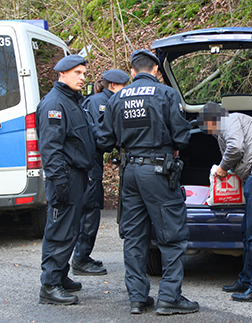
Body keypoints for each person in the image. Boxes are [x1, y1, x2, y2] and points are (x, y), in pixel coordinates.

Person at [97, 49, 199, 315]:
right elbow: (181, 137)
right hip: (158, 173)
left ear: (132, 71)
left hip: (129, 174)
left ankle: (138, 298)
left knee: (134, 237)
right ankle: (169, 298)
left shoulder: (117, 98)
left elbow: (104, 140)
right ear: (155, 70)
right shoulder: (166, 94)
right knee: (173, 236)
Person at [198, 102, 252, 302]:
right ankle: (246, 280)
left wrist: (222, 168)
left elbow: (236, 147)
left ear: (212, 120)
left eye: (208, 128)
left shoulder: (229, 120)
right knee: (249, 230)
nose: (210, 133)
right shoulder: (232, 124)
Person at [36, 55, 95, 305]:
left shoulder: (71, 101)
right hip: (65, 177)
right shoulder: (55, 104)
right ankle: (49, 285)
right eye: (78, 73)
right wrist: (59, 181)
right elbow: (51, 148)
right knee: (59, 230)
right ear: (62, 74)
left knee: (70, 230)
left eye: (84, 73)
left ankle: (59, 275)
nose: (83, 77)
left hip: (76, 176)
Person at [72, 69, 129, 276]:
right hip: (89, 164)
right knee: (90, 210)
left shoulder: (103, 100)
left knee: (91, 209)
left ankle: (83, 255)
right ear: (114, 86)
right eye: (124, 86)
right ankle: (79, 259)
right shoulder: (98, 103)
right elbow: (100, 136)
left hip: (91, 163)